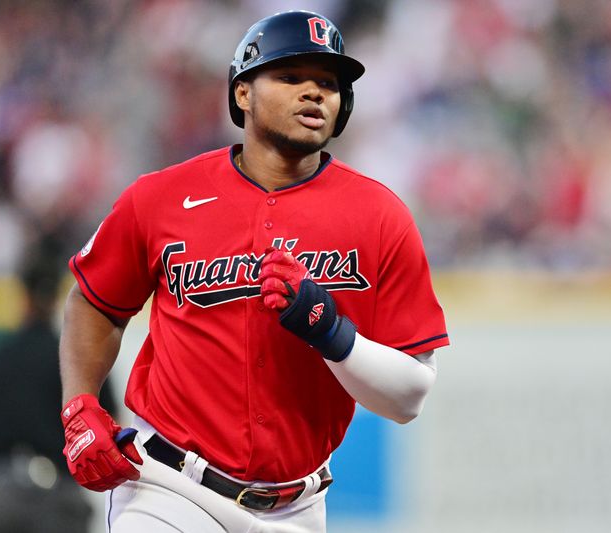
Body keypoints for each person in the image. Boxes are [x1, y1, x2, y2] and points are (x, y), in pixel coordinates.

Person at [59, 10, 449, 533]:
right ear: (243, 93)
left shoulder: (380, 216)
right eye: (291, 77)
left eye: (328, 84)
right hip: (170, 489)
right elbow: (94, 302)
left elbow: (409, 397)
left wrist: (332, 332)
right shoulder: (160, 197)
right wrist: (80, 404)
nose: (314, 93)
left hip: (299, 507)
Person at [0, 244, 118, 533]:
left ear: (23, 297)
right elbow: (108, 423)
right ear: (58, 298)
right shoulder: (78, 362)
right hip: (57, 492)